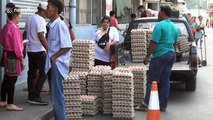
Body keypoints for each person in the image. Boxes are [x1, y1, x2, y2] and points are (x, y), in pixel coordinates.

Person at [139, 6, 179, 111]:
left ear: (163, 12)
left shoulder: (160, 26)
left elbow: (153, 43)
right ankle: (163, 105)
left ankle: (145, 104)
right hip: (171, 54)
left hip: (160, 55)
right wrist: (173, 55)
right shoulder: (174, 27)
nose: (157, 14)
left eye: (159, 12)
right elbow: (175, 44)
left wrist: (147, 56)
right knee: (165, 80)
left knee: (152, 81)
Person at [45, 0, 72, 119]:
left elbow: (67, 45)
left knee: (57, 98)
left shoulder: (60, 25)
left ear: (55, 9)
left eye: (48, 7)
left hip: (57, 64)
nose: (46, 9)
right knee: (55, 97)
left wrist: (54, 57)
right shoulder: (52, 25)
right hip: (53, 64)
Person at [0, 3, 24, 111]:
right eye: (20, 15)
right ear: (15, 16)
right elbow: (17, 47)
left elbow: (2, 40)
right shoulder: (14, 28)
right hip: (13, 56)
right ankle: (10, 103)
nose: (21, 17)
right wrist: (22, 59)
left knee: (6, 78)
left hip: (6, 53)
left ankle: (3, 100)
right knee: (12, 80)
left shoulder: (6, 26)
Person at [23, 2, 48, 105]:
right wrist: (48, 49)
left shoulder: (30, 18)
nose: (47, 13)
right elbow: (41, 35)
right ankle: (36, 95)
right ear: (42, 10)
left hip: (30, 50)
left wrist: (24, 48)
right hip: (39, 50)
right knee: (44, 71)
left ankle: (30, 95)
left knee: (31, 73)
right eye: (46, 11)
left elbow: (24, 33)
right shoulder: (41, 20)